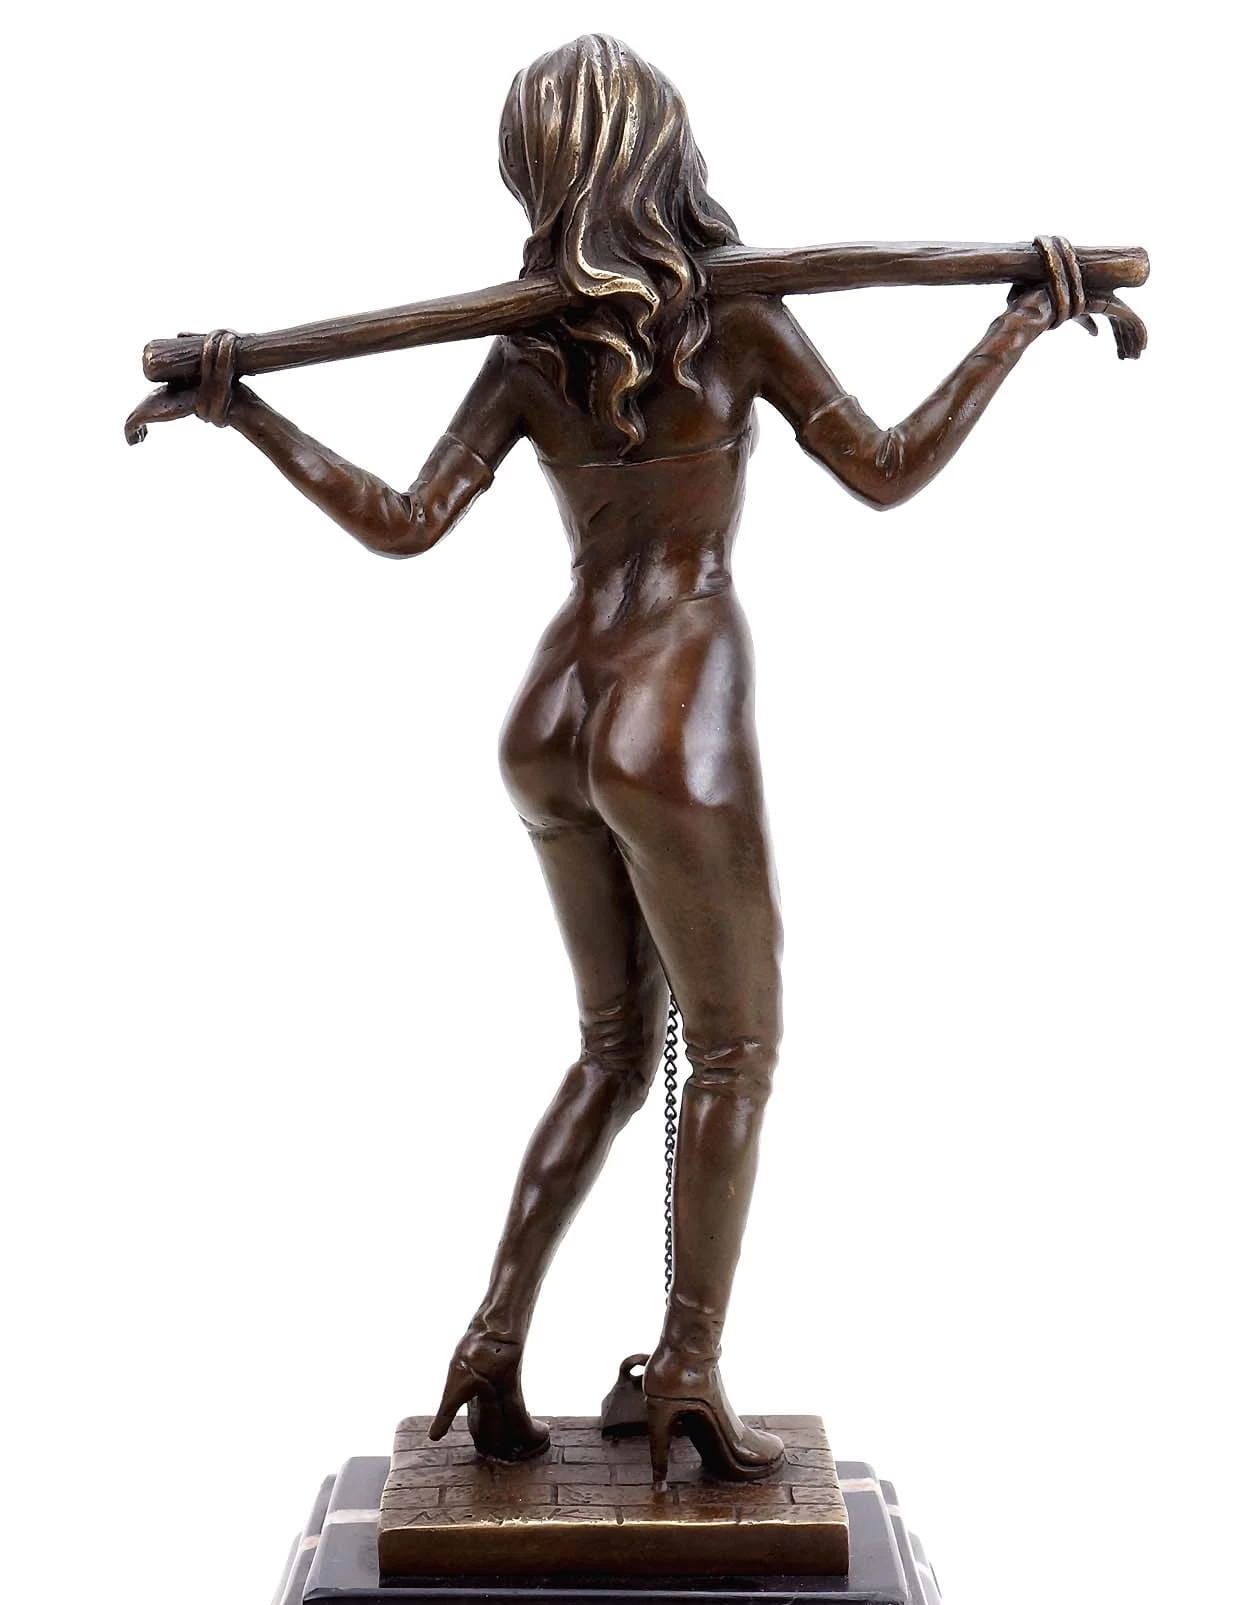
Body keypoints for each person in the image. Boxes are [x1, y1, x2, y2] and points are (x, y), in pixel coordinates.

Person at [157, 35, 1096, 1484]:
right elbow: (887, 469)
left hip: (554, 706)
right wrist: (1017, 325)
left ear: (533, 178)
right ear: (672, 152)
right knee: (731, 1050)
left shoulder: (531, 351)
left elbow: (407, 521)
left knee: (610, 1051)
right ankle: (692, 1370)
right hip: (674, 701)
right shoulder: (740, 319)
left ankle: (490, 1341)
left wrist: (250, 406)